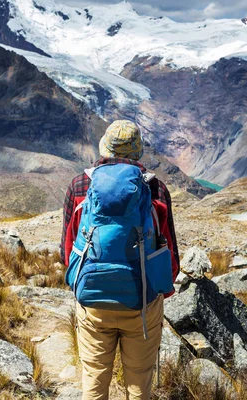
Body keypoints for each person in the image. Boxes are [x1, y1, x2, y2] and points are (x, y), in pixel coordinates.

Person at [61, 120, 179, 400]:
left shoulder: (80, 186)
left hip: (92, 302)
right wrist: (159, 292)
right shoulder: (155, 189)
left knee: (94, 379)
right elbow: (169, 253)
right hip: (141, 303)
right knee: (139, 384)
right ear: (137, 151)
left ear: (105, 148)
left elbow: (68, 251)